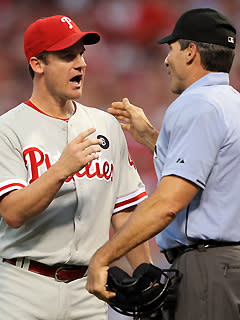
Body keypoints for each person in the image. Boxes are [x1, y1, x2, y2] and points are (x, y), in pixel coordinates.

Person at [86, 8, 240, 320]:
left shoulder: (198, 104)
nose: (166, 61)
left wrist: (104, 257)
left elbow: (169, 203)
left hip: (210, 268)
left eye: (172, 49)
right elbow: (216, 176)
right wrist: (153, 139)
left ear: (191, 51)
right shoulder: (231, 102)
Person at [0, 15, 152, 320]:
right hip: (22, 286)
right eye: (68, 56)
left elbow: (124, 211)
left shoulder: (105, 126)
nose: (81, 63)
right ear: (37, 64)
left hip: (88, 289)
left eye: (81, 54)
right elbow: (13, 213)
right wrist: (60, 170)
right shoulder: (9, 129)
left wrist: (145, 274)